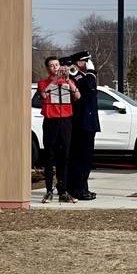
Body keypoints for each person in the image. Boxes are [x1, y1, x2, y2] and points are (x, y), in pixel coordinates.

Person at [36, 55, 80, 203]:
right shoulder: (43, 82)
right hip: (51, 122)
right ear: (48, 68)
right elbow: (43, 94)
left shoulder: (68, 81)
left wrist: (68, 80)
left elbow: (78, 96)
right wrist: (55, 80)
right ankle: (49, 190)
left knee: (65, 157)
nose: (55, 67)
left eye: (57, 65)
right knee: (49, 157)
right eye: (52, 66)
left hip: (66, 121)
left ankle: (63, 190)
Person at [64, 50, 100, 201]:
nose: (88, 64)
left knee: (86, 159)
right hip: (81, 122)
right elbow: (89, 86)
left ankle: (82, 188)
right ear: (79, 62)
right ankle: (78, 189)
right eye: (86, 61)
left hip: (88, 122)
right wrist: (91, 71)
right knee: (81, 158)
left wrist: (90, 72)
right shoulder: (75, 75)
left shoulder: (82, 75)